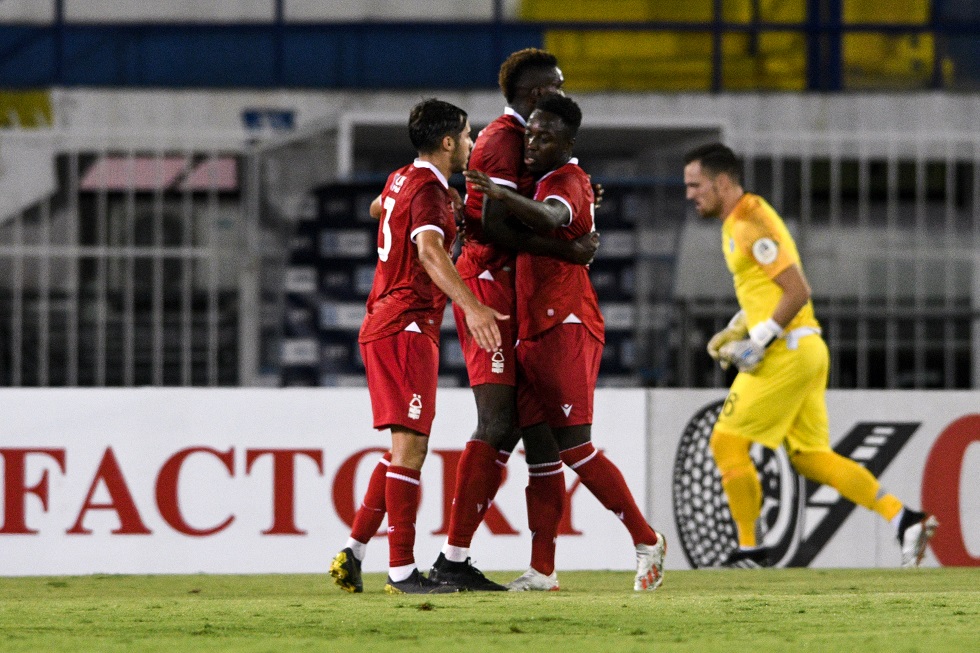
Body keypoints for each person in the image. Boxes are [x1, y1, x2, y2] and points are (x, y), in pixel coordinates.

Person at [682, 142, 939, 569]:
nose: (690, 194)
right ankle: (904, 518)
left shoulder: (750, 223)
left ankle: (751, 551)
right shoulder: (739, 219)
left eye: (695, 185)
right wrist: (738, 326)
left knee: (726, 441)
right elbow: (766, 290)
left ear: (722, 182)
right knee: (808, 457)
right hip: (804, 348)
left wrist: (758, 340)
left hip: (786, 351)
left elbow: (798, 290)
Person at [465, 93, 666, 592]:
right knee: (542, 455)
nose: (533, 142)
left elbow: (553, 218)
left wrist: (502, 194)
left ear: (569, 143)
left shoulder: (569, 183)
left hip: (567, 325)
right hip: (536, 329)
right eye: (530, 133)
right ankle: (544, 569)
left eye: (545, 136)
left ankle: (646, 539)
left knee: (576, 447)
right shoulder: (552, 181)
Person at [425, 48, 602, 593]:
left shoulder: (538, 148)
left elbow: (540, 200)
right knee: (498, 422)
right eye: (556, 84)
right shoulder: (505, 140)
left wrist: (578, 201)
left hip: (518, 290)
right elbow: (489, 222)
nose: (563, 89)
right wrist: (567, 248)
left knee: (536, 431)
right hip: (489, 283)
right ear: (535, 94)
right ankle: (452, 560)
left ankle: (539, 570)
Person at [329, 98, 507, 595]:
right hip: (407, 324)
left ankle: (354, 551)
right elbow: (429, 251)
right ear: (449, 141)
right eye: (468, 135)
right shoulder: (427, 190)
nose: (472, 143)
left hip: (385, 320)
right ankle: (403, 572)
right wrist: (472, 306)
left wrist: (439, 204)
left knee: (399, 451)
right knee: (412, 447)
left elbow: (378, 208)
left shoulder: (403, 179)